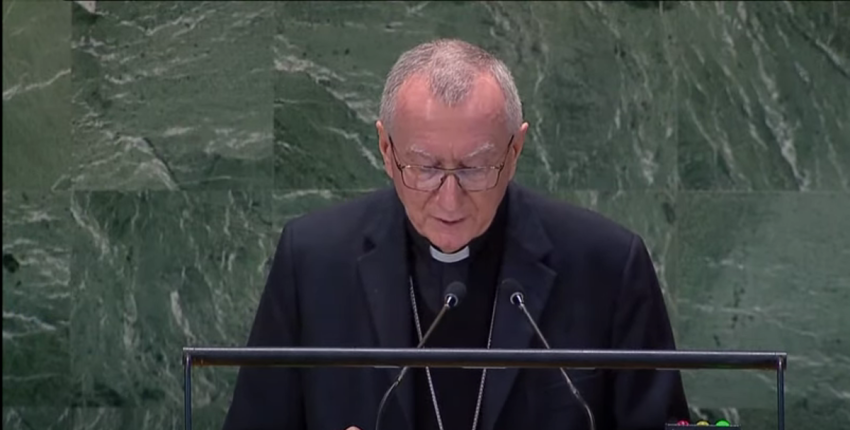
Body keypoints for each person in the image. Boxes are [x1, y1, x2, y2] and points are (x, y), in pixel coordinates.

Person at [223, 38, 689, 430]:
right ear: (386, 149)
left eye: (475, 168)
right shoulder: (313, 260)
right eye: (424, 168)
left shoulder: (606, 264)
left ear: (515, 149)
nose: (449, 199)